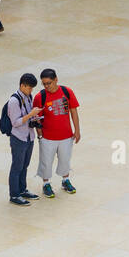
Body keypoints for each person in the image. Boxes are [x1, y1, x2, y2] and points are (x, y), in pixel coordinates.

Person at [34, 67, 80, 198]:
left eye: (49, 83)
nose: (47, 86)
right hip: (48, 137)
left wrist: (77, 130)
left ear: (56, 80)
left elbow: (74, 112)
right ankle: (46, 184)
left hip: (66, 135)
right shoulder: (40, 97)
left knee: (65, 159)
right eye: (44, 84)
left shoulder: (67, 92)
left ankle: (65, 180)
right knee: (46, 161)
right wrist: (40, 136)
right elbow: (37, 118)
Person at [5, 73, 42, 206]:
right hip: (18, 138)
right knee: (17, 167)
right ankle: (14, 195)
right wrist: (30, 114)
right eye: (29, 88)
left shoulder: (28, 96)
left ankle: (22, 189)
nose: (31, 90)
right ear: (22, 85)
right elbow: (15, 122)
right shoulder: (14, 101)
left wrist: (35, 117)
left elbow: (27, 116)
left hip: (28, 136)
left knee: (24, 166)